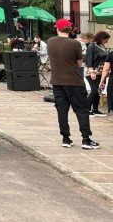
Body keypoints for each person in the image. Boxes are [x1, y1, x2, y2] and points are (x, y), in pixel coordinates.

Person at [45, 19, 99, 149]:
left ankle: (66, 138)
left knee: (62, 110)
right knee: (81, 110)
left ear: (57, 29)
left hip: (57, 81)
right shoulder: (75, 43)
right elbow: (80, 63)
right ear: (70, 30)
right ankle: (86, 139)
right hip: (73, 81)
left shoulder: (50, 41)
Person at [85, 31, 110, 116]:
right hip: (92, 72)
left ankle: (95, 109)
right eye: (105, 40)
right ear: (101, 38)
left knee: (99, 90)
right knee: (95, 90)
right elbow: (89, 60)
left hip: (100, 72)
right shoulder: (92, 46)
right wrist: (92, 72)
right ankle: (86, 108)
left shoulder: (101, 46)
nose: (106, 42)